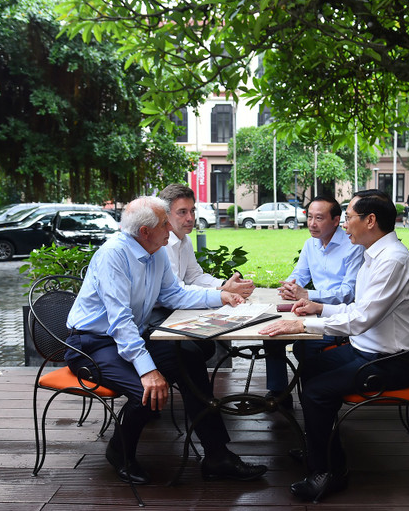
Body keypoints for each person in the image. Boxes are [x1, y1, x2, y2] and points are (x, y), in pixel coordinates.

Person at [65, 196, 267, 485]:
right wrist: (148, 371)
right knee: (146, 394)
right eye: (164, 223)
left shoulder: (155, 250)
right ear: (144, 231)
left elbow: (174, 294)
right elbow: (120, 321)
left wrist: (218, 296)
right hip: (91, 344)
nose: (170, 229)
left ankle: (217, 456)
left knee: (189, 355)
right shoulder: (114, 255)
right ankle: (120, 452)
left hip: (129, 337)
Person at [259, 189, 409, 502]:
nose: (345, 224)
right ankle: (321, 446)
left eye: (348, 217)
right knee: (311, 366)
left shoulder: (392, 261)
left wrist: (304, 323)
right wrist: (319, 309)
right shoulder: (375, 255)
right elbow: (357, 309)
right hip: (367, 350)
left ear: (370, 220)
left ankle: (329, 472)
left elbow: (360, 319)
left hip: (391, 361)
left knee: (318, 392)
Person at [262, 196, 364, 405]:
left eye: (319, 218)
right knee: (272, 335)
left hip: (341, 313)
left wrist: (307, 295)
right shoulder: (310, 244)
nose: (312, 224)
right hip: (311, 308)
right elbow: (299, 275)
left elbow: (348, 293)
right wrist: (291, 286)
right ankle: (279, 394)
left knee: (304, 347)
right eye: (309, 217)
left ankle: (317, 396)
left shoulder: (352, 245)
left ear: (336, 220)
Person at [157, 183, 255, 298]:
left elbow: (194, 277)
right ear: (165, 214)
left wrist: (226, 284)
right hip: (158, 312)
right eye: (182, 212)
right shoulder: (161, 244)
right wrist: (222, 290)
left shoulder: (185, 240)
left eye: (192, 211)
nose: (190, 218)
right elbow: (176, 291)